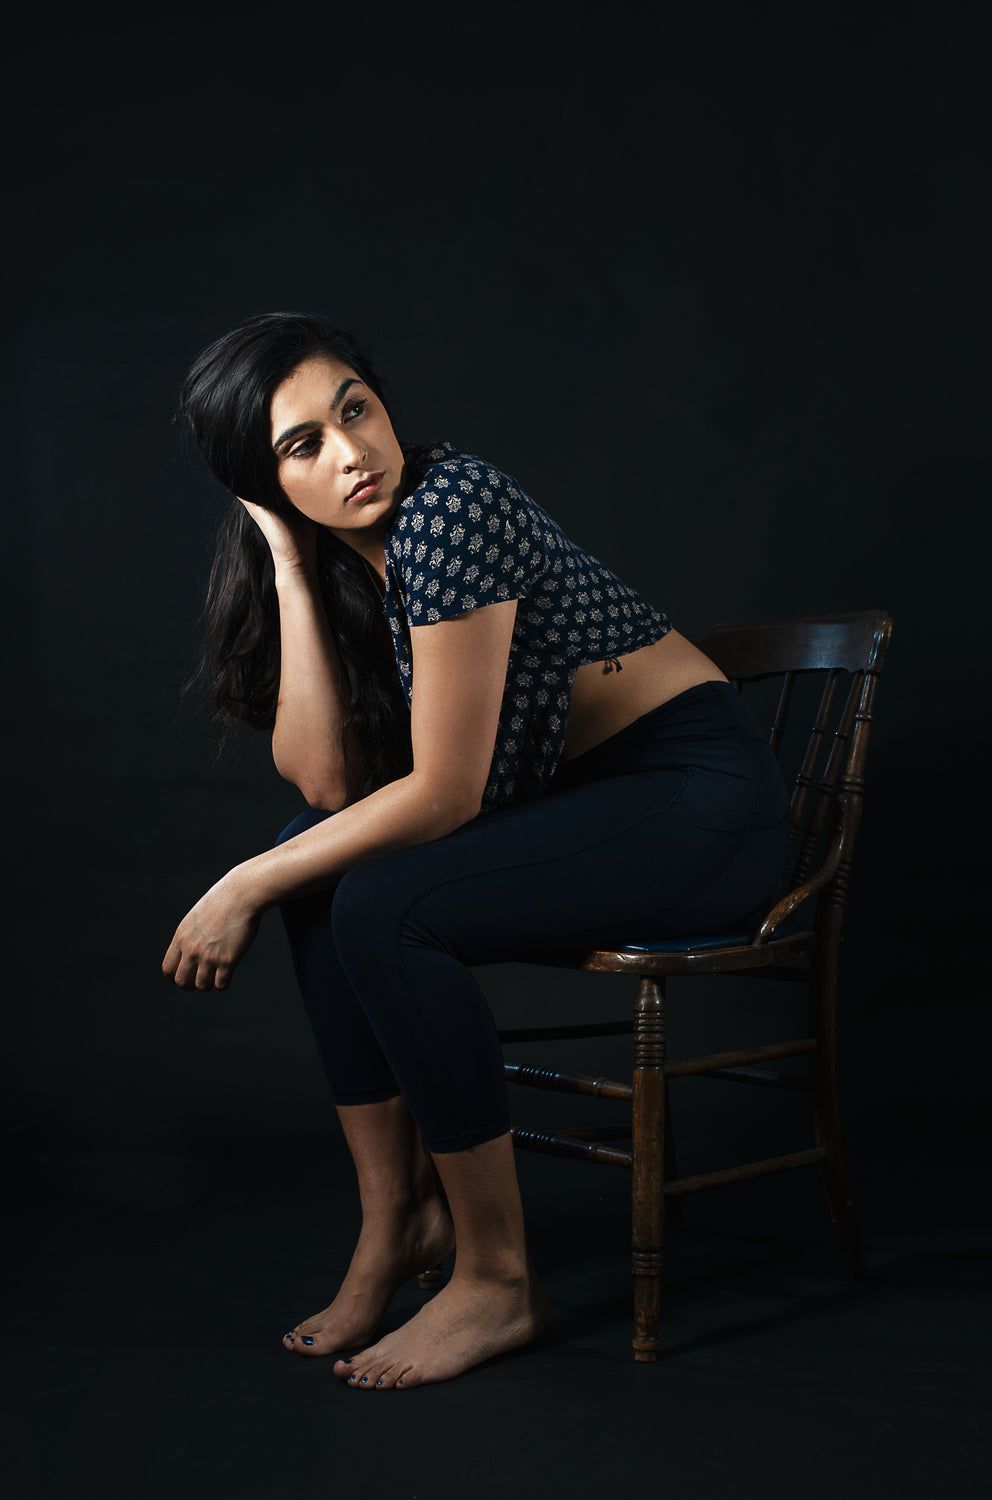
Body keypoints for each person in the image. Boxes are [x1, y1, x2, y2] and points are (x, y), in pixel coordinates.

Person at [162, 311, 791, 1390]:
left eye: (354, 407)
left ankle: (498, 1279)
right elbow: (324, 786)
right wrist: (291, 566)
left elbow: (445, 796)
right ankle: (397, 1222)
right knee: (316, 859)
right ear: (264, 487)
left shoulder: (451, 507)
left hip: (698, 807)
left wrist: (241, 886)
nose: (353, 451)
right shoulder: (360, 558)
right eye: (301, 446)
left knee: (369, 900)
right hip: (602, 805)